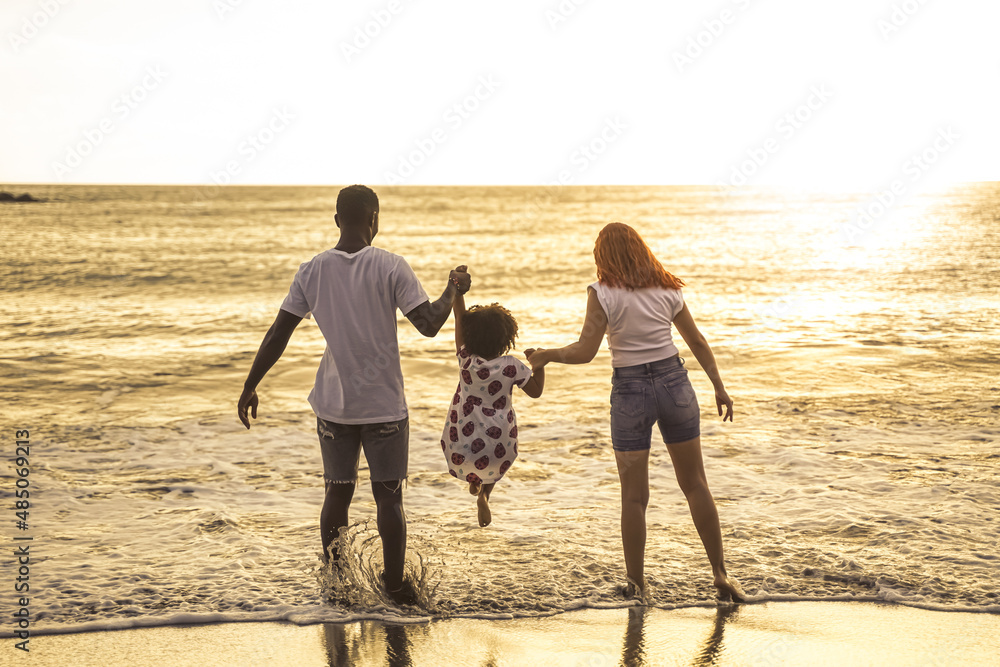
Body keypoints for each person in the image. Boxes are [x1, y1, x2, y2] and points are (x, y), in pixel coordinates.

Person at [236, 184, 471, 605]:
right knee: (389, 497)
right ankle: (395, 586)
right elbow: (430, 323)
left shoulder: (311, 270)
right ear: (374, 220)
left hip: (334, 405)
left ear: (337, 220)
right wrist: (453, 286)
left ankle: (337, 584)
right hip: (383, 406)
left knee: (337, 492)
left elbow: (278, 333)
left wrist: (251, 384)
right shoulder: (391, 266)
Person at [525, 222, 745, 602]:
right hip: (675, 384)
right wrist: (719, 387)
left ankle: (638, 587)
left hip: (630, 392)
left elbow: (585, 352)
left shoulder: (602, 292)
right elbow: (696, 341)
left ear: (603, 255)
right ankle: (720, 575)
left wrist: (546, 356)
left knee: (633, 496)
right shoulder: (668, 288)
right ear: (640, 249)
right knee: (695, 484)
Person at [441, 293, 544, 527]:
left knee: (473, 454)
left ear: (469, 336)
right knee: (495, 462)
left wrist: (458, 290)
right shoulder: (511, 366)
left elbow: (459, 316)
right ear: (507, 338)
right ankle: (484, 495)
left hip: (462, 434)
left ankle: (475, 480)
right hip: (498, 437)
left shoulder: (466, 359)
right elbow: (536, 391)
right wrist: (539, 364)